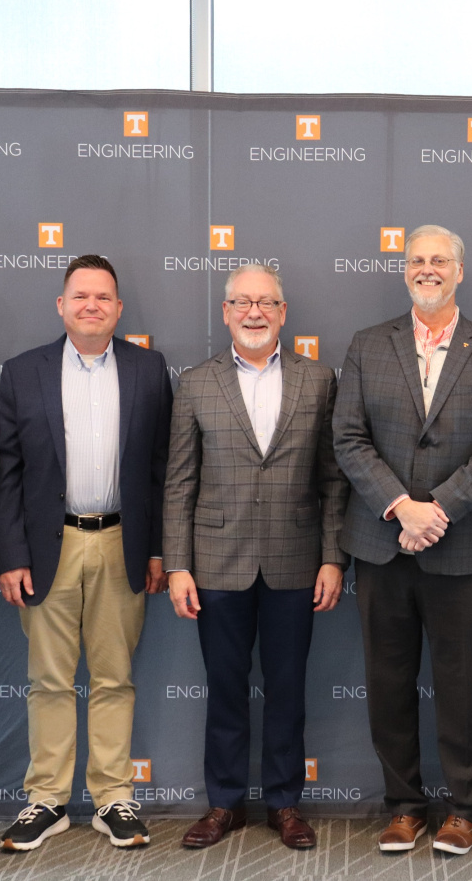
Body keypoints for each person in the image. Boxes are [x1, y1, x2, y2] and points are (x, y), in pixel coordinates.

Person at [332, 224, 472, 856]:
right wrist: (400, 507)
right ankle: (404, 806)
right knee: (388, 681)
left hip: (462, 545)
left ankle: (464, 808)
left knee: (464, 684)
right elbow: (349, 438)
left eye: (440, 260)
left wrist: (436, 509)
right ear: (404, 270)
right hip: (381, 542)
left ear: (460, 271)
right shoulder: (366, 344)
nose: (427, 269)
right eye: (417, 260)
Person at [162, 264, 349, 851]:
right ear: (225, 312)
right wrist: (178, 564)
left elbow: (332, 478)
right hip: (216, 561)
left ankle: (284, 803)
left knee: (289, 687)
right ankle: (223, 804)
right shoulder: (195, 382)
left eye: (266, 302)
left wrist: (332, 557)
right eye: (242, 302)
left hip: (297, 560)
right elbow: (178, 482)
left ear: (283, 312)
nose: (254, 312)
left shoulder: (319, 380)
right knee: (224, 686)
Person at [0, 254, 173, 853]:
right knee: (48, 678)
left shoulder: (150, 369)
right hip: (50, 547)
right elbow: (9, 475)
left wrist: (155, 552)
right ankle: (45, 800)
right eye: (80, 296)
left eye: (103, 297)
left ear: (119, 308)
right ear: (61, 306)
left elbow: (159, 470)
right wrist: (12, 555)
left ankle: (112, 798)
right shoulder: (24, 372)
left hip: (123, 541)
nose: (91, 305)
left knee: (115, 677)